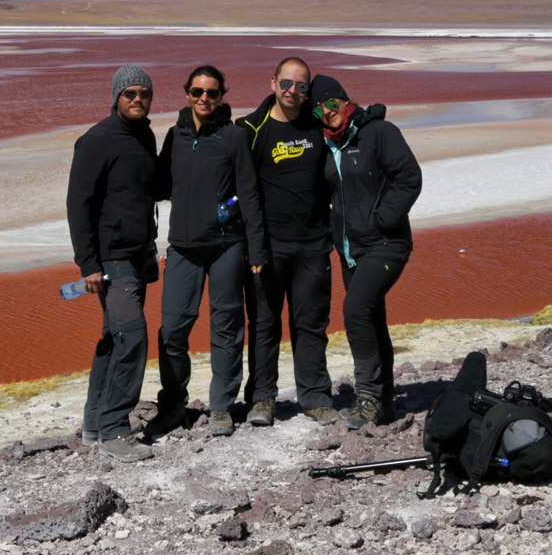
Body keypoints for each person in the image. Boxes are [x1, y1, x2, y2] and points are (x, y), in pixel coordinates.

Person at [154, 64, 268, 437]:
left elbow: (249, 193)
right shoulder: (176, 135)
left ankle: (221, 405)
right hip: (183, 250)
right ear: (187, 93)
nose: (205, 98)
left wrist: (257, 248)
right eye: (198, 92)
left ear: (222, 96)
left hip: (226, 247)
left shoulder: (233, 137)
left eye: (213, 93)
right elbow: (156, 185)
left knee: (226, 327)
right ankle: (173, 403)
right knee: (172, 329)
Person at [66, 64, 166, 463]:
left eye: (144, 93)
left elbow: (152, 190)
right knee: (132, 337)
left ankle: (94, 423)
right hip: (112, 259)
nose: (138, 99)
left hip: (138, 254)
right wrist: (88, 264)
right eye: (130, 94)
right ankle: (114, 428)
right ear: (116, 97)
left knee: (113, 338)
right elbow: (79, 205)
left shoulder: (144, 136)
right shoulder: (96, 140)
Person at [310, 73, 422, 430]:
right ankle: (386, 401)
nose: (326, 112)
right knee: (372, 320)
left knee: (356, 310)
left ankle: (369, 398)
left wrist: (381, 219)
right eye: (318, 108)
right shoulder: (327, 145)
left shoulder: (378, 133)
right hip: (350, 249)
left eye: (330, 103)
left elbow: (409, 178)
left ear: (344, 100)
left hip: (386, 243)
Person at [238, 56, 339, 425]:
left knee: (311, 323)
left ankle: (314, 396)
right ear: (273, 83)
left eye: (301, 86)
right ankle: (263, 398)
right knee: (265, 325)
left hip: (312, 245)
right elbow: (243, 192)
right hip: (267, 249)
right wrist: (252, 246)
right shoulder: (251, 128)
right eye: (286, 83)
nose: (292, 91)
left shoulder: (317, 128)